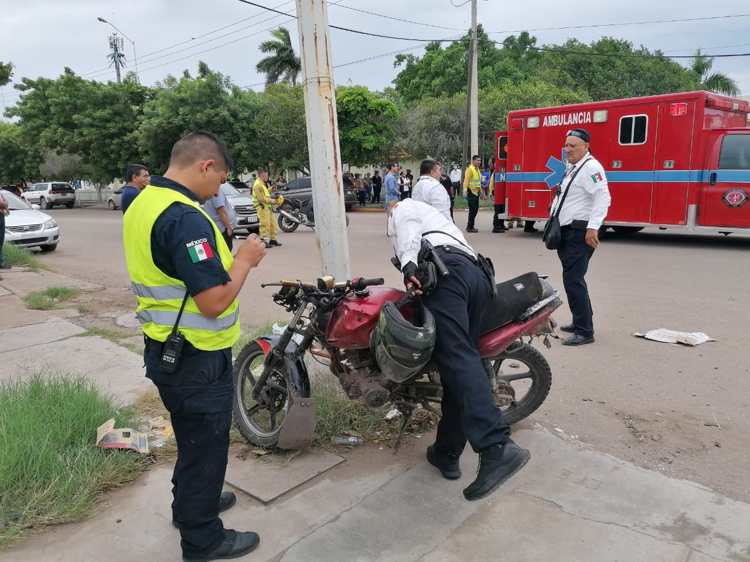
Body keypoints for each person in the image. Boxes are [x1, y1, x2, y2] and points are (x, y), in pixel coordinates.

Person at [122, 132, 266, 561]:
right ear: (204, 166)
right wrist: (245, 260)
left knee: (192, 440)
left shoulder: (142, 201)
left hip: (167, 348)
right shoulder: (184, 217)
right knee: (206, 448)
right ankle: (203, 539)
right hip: (197, 356)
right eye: (220, 177)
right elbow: (214, 301)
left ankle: (189, 507)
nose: (220, 187)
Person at [387, 198, 530, 501]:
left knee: (457, 358)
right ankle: (446, 453)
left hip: (445, 275)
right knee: (459, 366)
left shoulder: (406, 208)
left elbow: (408, 230)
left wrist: (409, 264)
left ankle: (496, 447)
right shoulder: (439, 221)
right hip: (476, 278)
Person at [551, 128, 611, 346]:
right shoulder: (574, 167)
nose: (568, 149)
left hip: (580, 231)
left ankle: (585, 331)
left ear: (586, 146)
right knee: (572, 278)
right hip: (569, 231)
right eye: (566, 145)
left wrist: (593, 227)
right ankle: (580, 321)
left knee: (574, 279)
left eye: (573, 146)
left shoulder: (591, 167)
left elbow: (602, 197)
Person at [252, 169, 282, 248]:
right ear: (261, 176)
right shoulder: (258, 185)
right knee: (265, 224)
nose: (267, 177)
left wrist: (270, 189)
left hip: (267, 207)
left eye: (267, 175)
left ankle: (273, 239)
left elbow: (265, 193)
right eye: (265, 176)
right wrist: (273, 201)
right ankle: (263, 241)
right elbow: (261, 199)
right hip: (262, 206)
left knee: (273, 224)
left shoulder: (261, 184)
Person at [203, 183, 235, 251]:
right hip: (222, 229)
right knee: (226, 251)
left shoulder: (208, 189)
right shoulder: (216, 190)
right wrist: (229, 228)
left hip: (218, 228)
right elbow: (221, 211)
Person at [463, 155, 482, 233]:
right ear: (473, 161)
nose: (479, 162)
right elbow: (466, 180)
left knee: (475, 210)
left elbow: (478, 182)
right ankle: (470, 227)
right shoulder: (470, 169)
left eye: (480, 160)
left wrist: (481, 192)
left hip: (476, 192)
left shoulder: (477, 169)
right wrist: (465, 190)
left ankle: (471, 226)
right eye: (477, 160)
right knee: (472, 210)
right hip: (471, 192)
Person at [0, 190, 9, 278]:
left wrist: (5, 205)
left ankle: (1, 262)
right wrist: (4, 204)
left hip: (1, 215)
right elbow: (3, 204)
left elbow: (5, 202)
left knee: (0, 242)